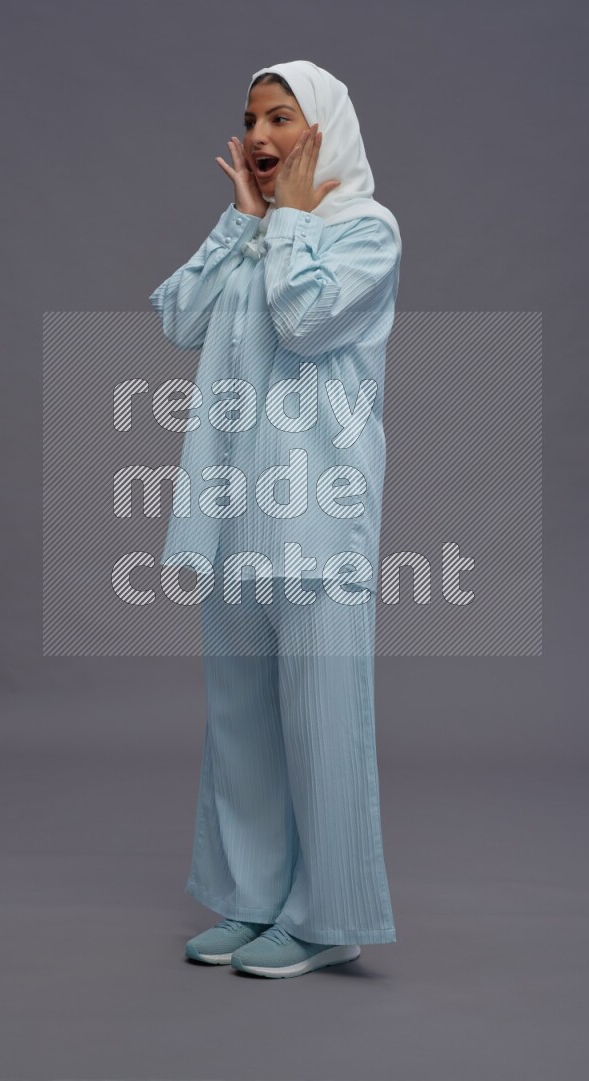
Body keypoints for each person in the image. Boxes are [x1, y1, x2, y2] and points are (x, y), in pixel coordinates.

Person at [149, 60, 401, 979]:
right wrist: (243, 225)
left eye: (281, 119)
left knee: (323, 722)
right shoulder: (257, 234)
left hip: (318, 517)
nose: (258, 139)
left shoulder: (366, 232)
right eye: (251, 119)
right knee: (241, 722)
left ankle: (330, 917)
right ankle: (254, 901)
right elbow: (176, 317)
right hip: (232, 515)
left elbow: (303, 322)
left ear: (323, 128)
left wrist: (285, 222)